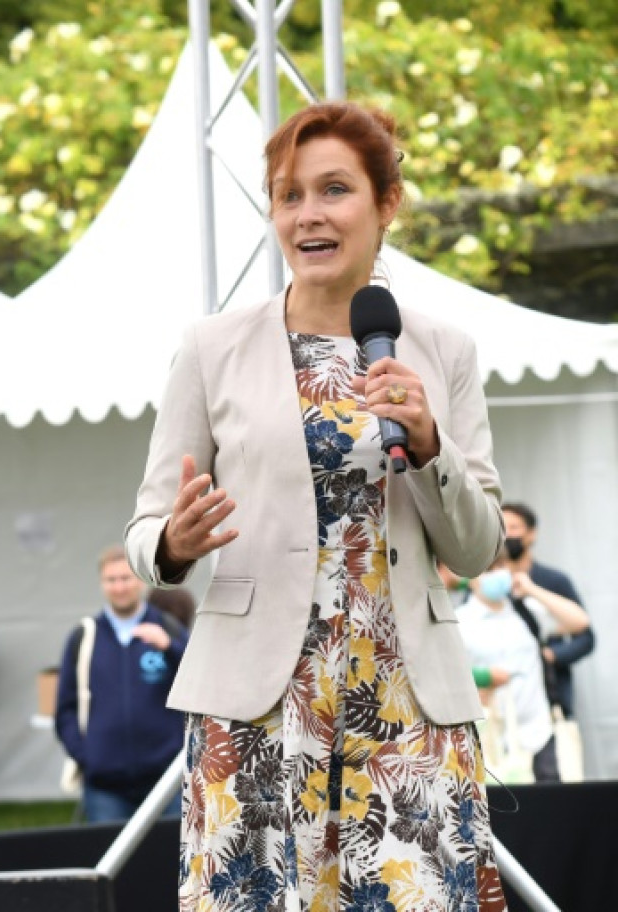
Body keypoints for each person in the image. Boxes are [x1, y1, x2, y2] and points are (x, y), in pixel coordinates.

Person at [125, 101, 510, 908]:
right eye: (287, 195)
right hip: (259, 709)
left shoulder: (444, 350)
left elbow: (476, 550)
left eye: (333, 190)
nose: (308, 215)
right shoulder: (212, 348)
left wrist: (431, 444)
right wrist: (174, 544)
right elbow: (145, 527)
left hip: (409, 704)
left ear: (385, 205)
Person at [54, 545, 188, 823]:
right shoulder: (84, 636)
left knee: (168, 863)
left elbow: (200, 685)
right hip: (105, 786)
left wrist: (170, 648)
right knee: (110, 864)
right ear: (102, 584)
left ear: (140, 580)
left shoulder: (168, 628)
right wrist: (87, 755)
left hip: (166, 783)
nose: (119, 587)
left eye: (125, 578)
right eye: (111, 580)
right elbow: (65, 708)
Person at [457, 555, 589, 783]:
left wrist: (532, 590)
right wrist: (480, 681)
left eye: (500, 566)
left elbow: (579, 622)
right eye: (487, 570)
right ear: (469, 578)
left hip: (539, 733)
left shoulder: (526, 611)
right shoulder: (458, 621)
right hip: (489, 738)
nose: (496, 574)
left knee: (551, 807)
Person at [501, 502, 595, 722]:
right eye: (501, 528)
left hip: (551, 698)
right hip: (504, 704)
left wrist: (550, 656)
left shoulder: (553, 580)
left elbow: (586, 635)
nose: (507, 535)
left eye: (514, 528)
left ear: (531, 534)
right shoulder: (485, 585)